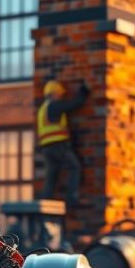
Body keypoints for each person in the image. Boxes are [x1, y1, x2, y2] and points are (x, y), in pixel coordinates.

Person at [37, 79, 89, 207]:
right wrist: (84, 92)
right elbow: (73, 105)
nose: (61, 96)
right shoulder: (54, 105)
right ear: (54, 93)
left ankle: (45, 202)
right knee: (74, 167)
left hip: (47, 148)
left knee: (51, 176)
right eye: (59, 94)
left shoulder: (43, 109)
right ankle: (72, 198)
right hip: (58, 145)